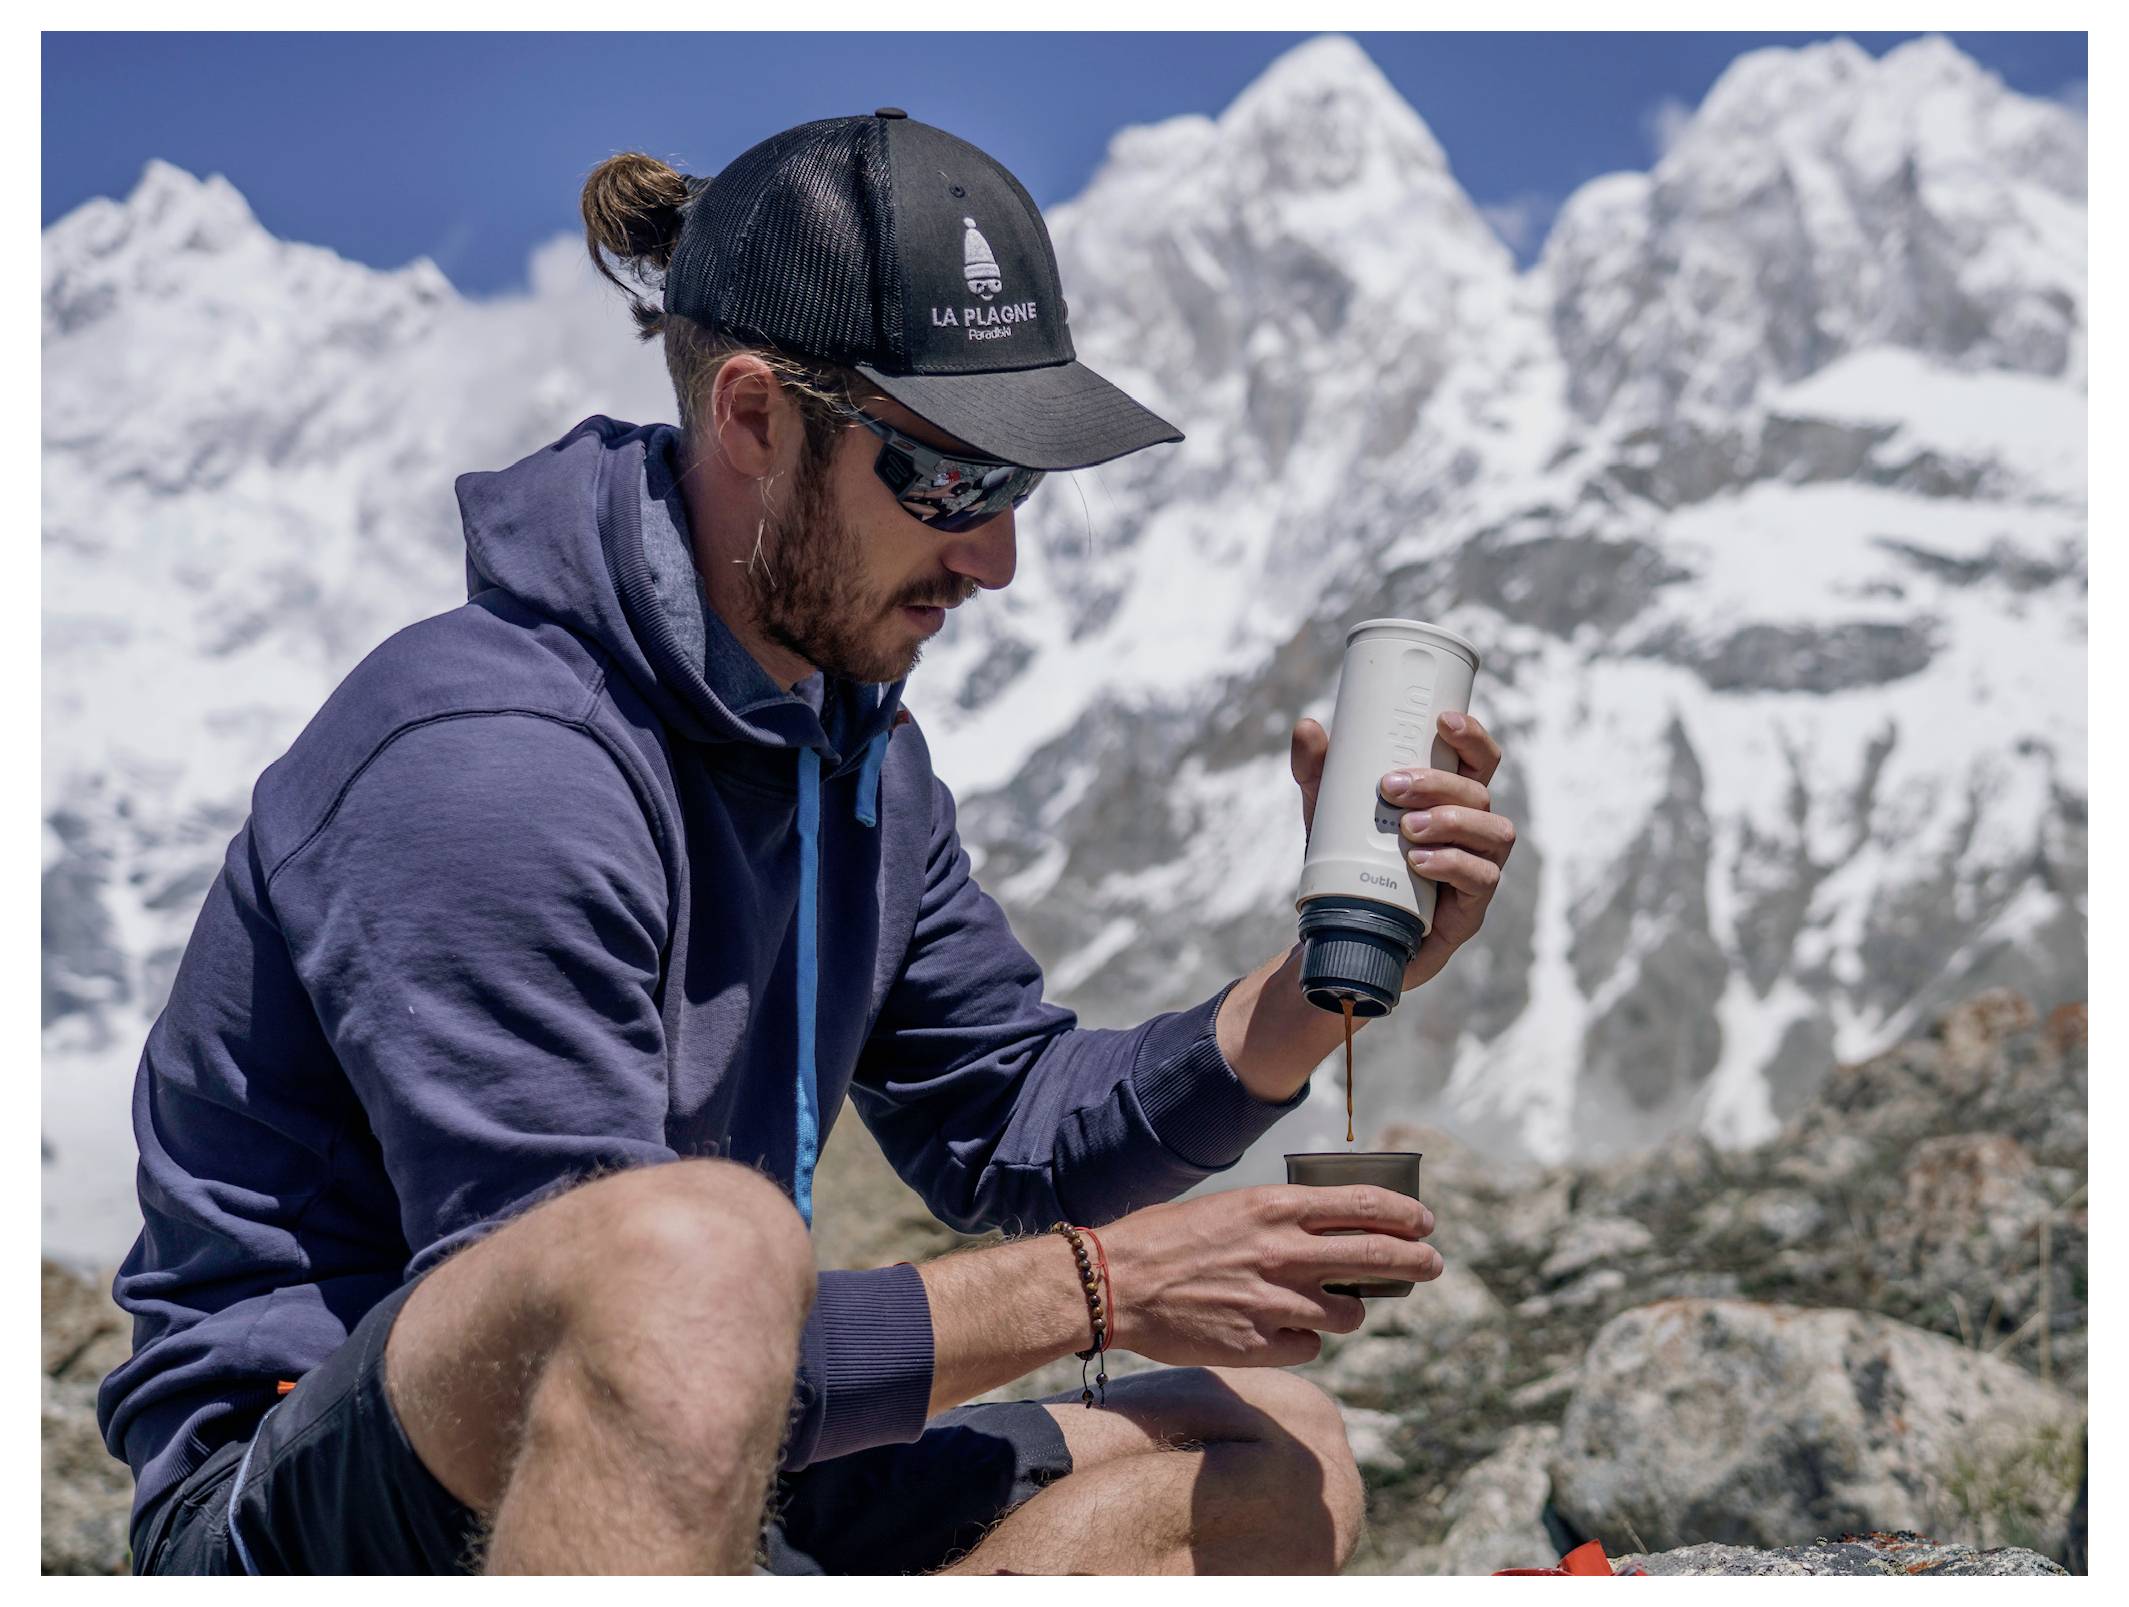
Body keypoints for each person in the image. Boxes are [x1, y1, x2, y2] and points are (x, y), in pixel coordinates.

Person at [97, 110, 1519, 1575]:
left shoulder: (848, 747)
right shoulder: (489, 766)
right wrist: (1105, 1288)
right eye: (951, 482)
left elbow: (1006, 1128)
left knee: (1270, 1461)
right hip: (313, 1503)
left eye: (1017, 485)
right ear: (756, 418)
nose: (995, 558)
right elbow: (617, 1329)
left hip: (687, 1420)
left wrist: (1313, 990)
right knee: (683, 1255)